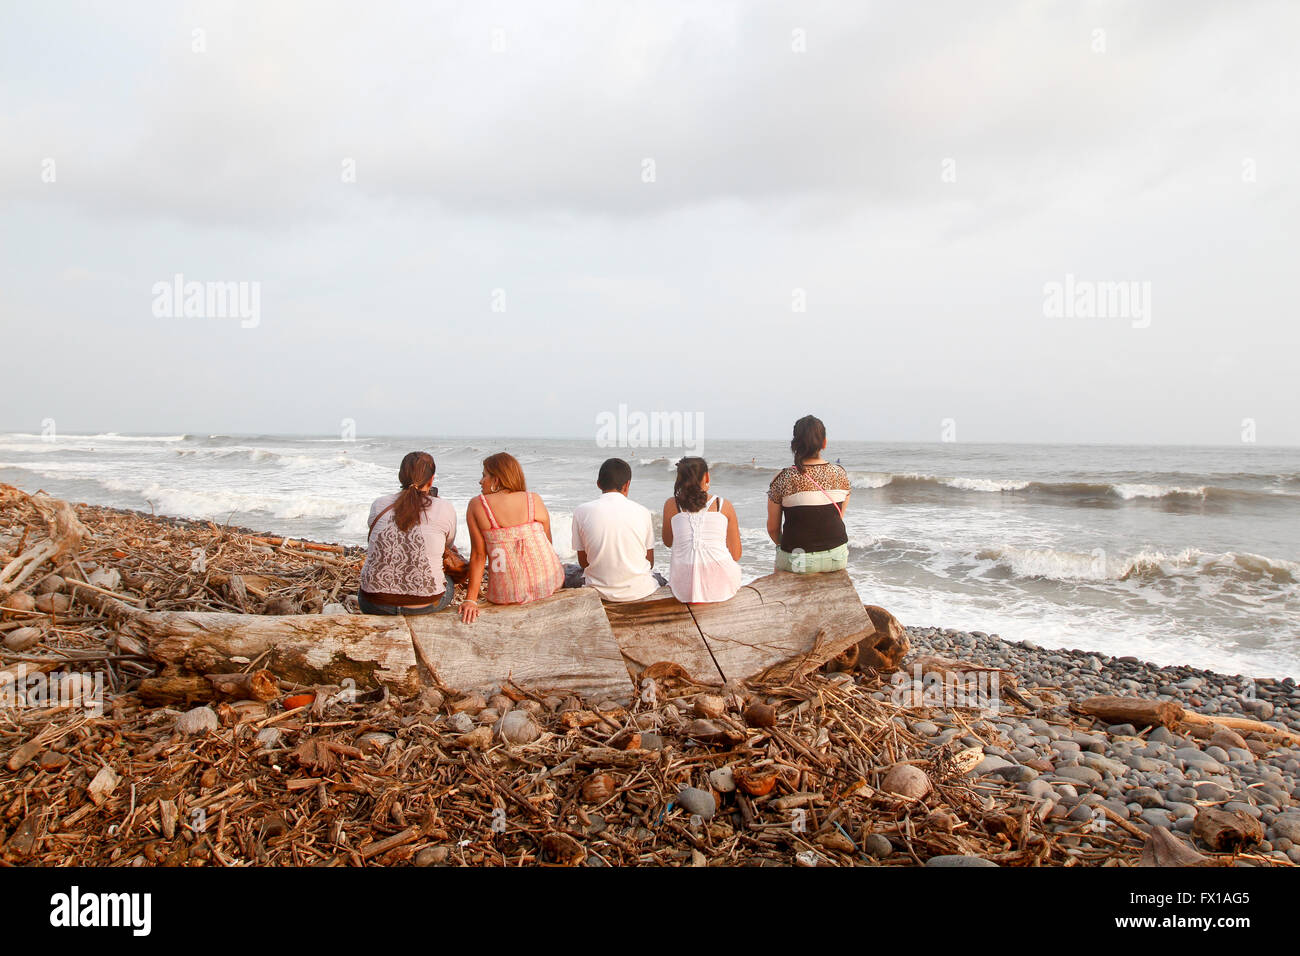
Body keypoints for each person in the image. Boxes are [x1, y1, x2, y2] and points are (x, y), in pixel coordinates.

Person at [459, 452, 565, 623]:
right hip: (549, 583)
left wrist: (470, 600)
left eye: (484, 475)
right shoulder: (534, 499)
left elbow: (479, 555)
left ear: (497, 480)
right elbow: (547, 542)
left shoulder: (478, 505)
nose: (480, 481)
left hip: (506, 593)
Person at [359, 451, 457, 615]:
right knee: (449, 581)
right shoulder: (444, 507)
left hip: (374, 603)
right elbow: (448, 545)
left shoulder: (379, 504)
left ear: (400, 477)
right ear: (432, 479)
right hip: (425, 603)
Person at [568, 457, 665, 601]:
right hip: (641, 589)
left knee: (568, 572)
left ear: (598, 484)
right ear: (627, 485)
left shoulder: (581, 511)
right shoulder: (642, 511)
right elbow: (649, 563)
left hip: (598, 591)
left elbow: (583, 563)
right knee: (659, 578)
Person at [766, 415, 851, 573]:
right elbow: (838, 518)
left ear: (795, 444)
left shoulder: (783, 478)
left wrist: (785, 548)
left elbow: (772, 529)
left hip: (798, 560)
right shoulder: (841, 474)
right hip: (837, 558)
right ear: (824, 443)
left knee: (781, 559)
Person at [662, 457, 742, 603]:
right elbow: (736, 555)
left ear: (679, 479)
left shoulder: (671, 505)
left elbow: (668, 542)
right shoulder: (723, 505)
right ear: (706, 476)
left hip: (683, 588)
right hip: (722, 584)